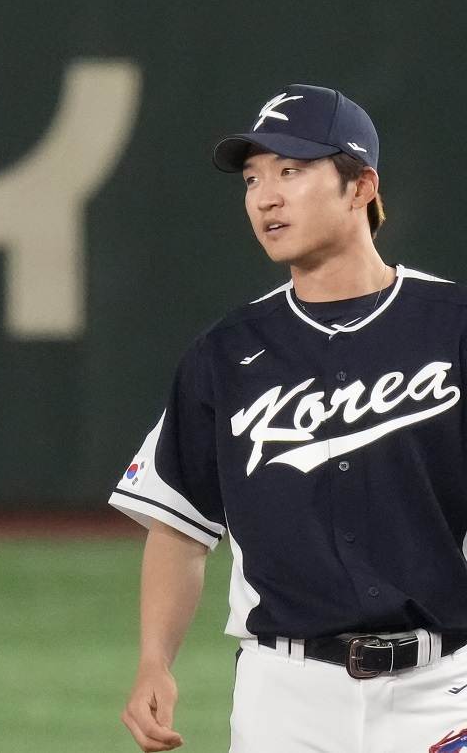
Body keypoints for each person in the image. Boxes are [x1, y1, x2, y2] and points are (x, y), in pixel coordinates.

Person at [111, 84, 467, 752]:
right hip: (286, 696)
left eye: (291, 171)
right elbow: (180, 526)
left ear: (361, 186)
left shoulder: (450, 329)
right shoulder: (226, 353)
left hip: (443, 685)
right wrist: (154, 662)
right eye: (252, 178)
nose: (265, 196)